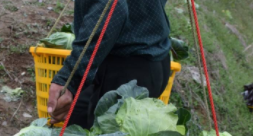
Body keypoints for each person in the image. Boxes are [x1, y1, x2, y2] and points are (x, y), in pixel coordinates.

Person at [48, 0, 171, 128]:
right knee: (78, 120)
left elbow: (112, 8)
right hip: (154, 58)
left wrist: (69, 77)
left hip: (126, 72)